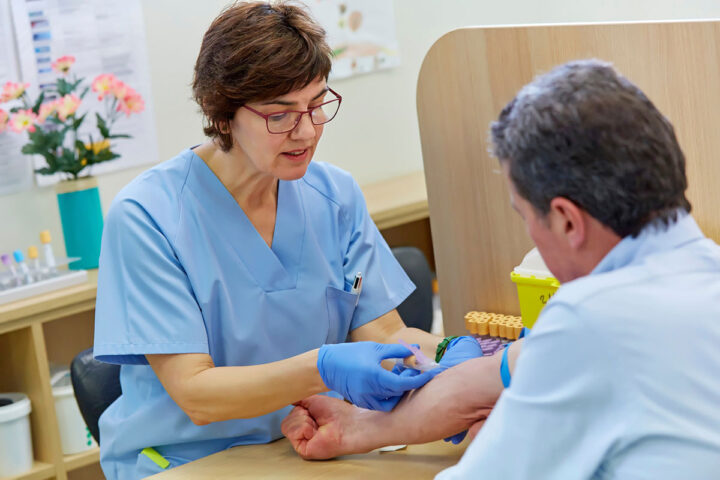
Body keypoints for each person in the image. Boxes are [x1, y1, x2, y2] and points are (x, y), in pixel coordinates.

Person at [92, 3, 480, 479]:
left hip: (309, 442)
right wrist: (325, 367)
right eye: (281, 115)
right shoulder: (148, 217)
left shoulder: (334, 195)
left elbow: (384, 335)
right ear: (222, 113)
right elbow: (196, 395)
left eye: (318, 104)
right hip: (187, 460)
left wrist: (455, 358)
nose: (308, 131)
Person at [282, 59, 720, 478]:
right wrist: (358, 429)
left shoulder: (590, 318)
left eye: (525, 216)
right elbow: (485, 380)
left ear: (567, 220)